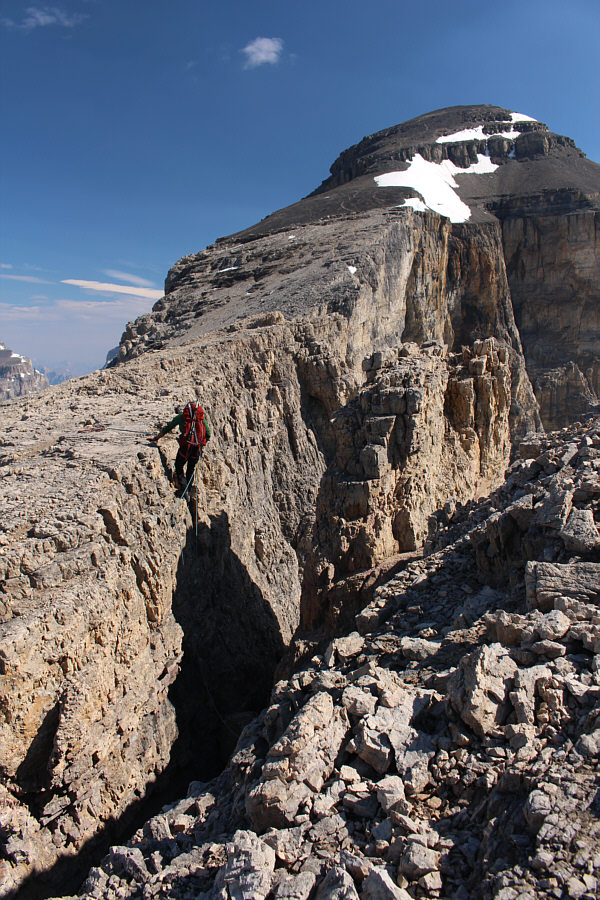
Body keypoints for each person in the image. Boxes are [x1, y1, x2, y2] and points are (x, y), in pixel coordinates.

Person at [151, 401, 211, 494]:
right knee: (191, 468)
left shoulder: (181, 417)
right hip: (196, 448)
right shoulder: (200, 419)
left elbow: (168, 428)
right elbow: (208, 434)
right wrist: (201, 444)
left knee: (179, 465)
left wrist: (156, 438)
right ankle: (189, 489)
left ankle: (183, 487)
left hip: (185, 447)